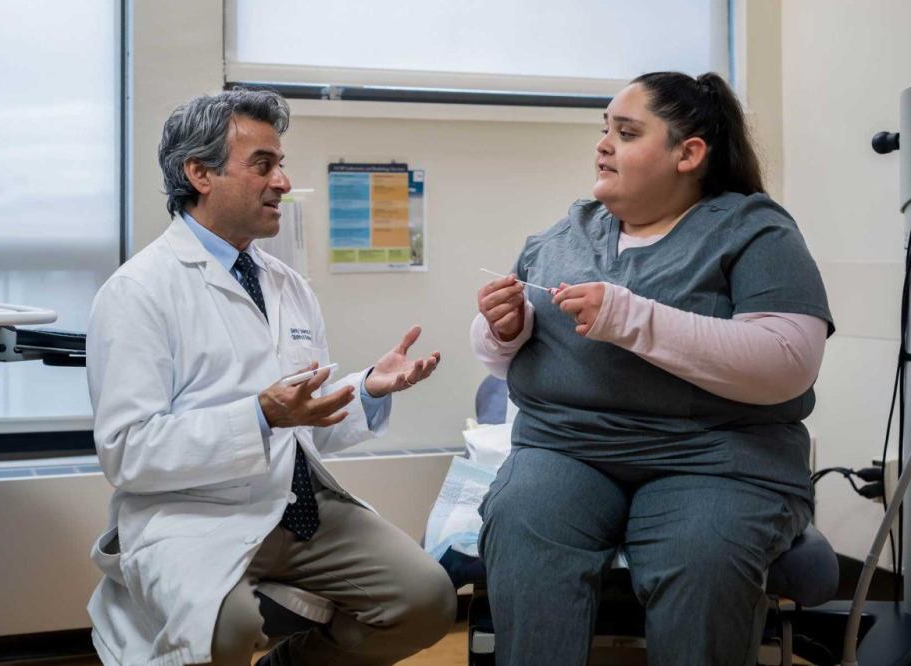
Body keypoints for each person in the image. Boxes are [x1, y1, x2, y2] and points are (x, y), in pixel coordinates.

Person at [472, 71, 833, 665]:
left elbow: (788, 362)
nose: (603, 144)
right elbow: (498, 358)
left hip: (717, 459)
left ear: (688, 153)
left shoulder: (754, 231)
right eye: (604, 129)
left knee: (703, 552)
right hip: (569, 450)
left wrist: (630, 318)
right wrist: (501, 329)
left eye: (627, 131)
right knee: (524, 521)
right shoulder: (566, 233)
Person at [86, 88, 456, 666]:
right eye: (264, 164)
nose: (282, 181)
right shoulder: (139, 292)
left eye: (279, 163)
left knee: (427, 599)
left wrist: (366, 390)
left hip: (297, 502)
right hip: (194, 512)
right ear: (199, 173)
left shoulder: (286, 284)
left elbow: (310, 425)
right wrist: (260, 416)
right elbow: (126, 451)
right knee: (226, 629)